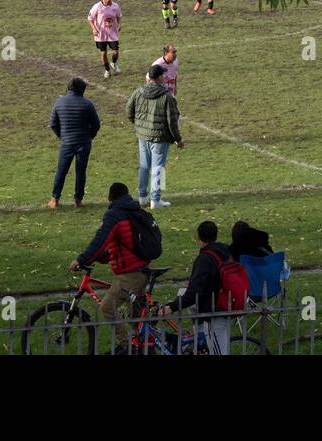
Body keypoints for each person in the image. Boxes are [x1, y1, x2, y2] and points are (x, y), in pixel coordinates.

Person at [70, 182, 151, 354]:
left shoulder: (115, 214)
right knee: (134, 319)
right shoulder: (134, 211)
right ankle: (138, 345)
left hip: (131, 275)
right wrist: (101, 257)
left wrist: (81, 259)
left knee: (107, 307)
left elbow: (100, 241)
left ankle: (126, 345)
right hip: (142, 270)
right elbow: (121, 245)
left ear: (110, 197)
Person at [159, 220, 237, 355]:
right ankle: (199, 338)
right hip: (227, 303)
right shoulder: (225, 252)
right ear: (216, 235)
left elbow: (193, 293)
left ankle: (200, 336)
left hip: (213, 311)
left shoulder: (204, 259)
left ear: (199, 237)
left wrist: (171, 307)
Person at [126, 64, 183, 209]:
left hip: (142, 135)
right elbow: (172, 120)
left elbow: (129, 111)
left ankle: (142, 198)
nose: (165, 77)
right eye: (163, 75)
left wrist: (139, 125)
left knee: (144, 166)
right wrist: (178, 139)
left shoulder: (138, 91)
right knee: (158, 168)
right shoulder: (166, 96)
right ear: (158, 78)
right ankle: (156, 200)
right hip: (160, 138)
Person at [49, 77, 101, 209]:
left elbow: (53, 123)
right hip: (83, 142)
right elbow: (96, 124)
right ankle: (78, 201)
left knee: (61, 171)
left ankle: (54, 199)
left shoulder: (59, 102)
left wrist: (62, 136)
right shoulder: (87, 104)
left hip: (66, 142)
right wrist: (90, 136)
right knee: (80, 172)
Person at [87, 0, 122, 79]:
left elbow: (118, 16)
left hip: (112, 34)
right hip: (100, 35)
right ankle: (107, 70)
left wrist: (118, 25)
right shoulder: (97, 6)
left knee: (115, 52)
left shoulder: (115, 6)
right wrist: (94, 29)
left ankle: (113, 63)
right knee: (103, 53)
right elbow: (90, 19)